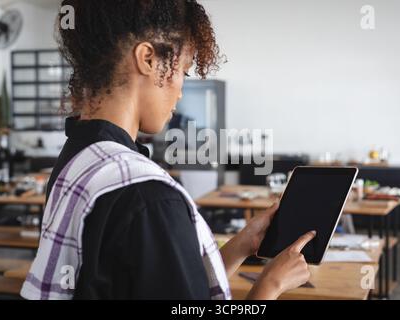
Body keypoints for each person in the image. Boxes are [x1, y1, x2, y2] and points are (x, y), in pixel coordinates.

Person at [21, 0, 315, 300]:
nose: (181, 90)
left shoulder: (79, 156)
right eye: (184, 72)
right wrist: (270, 286)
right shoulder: (152, 200)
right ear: (147, 58)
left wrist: (240, 246)